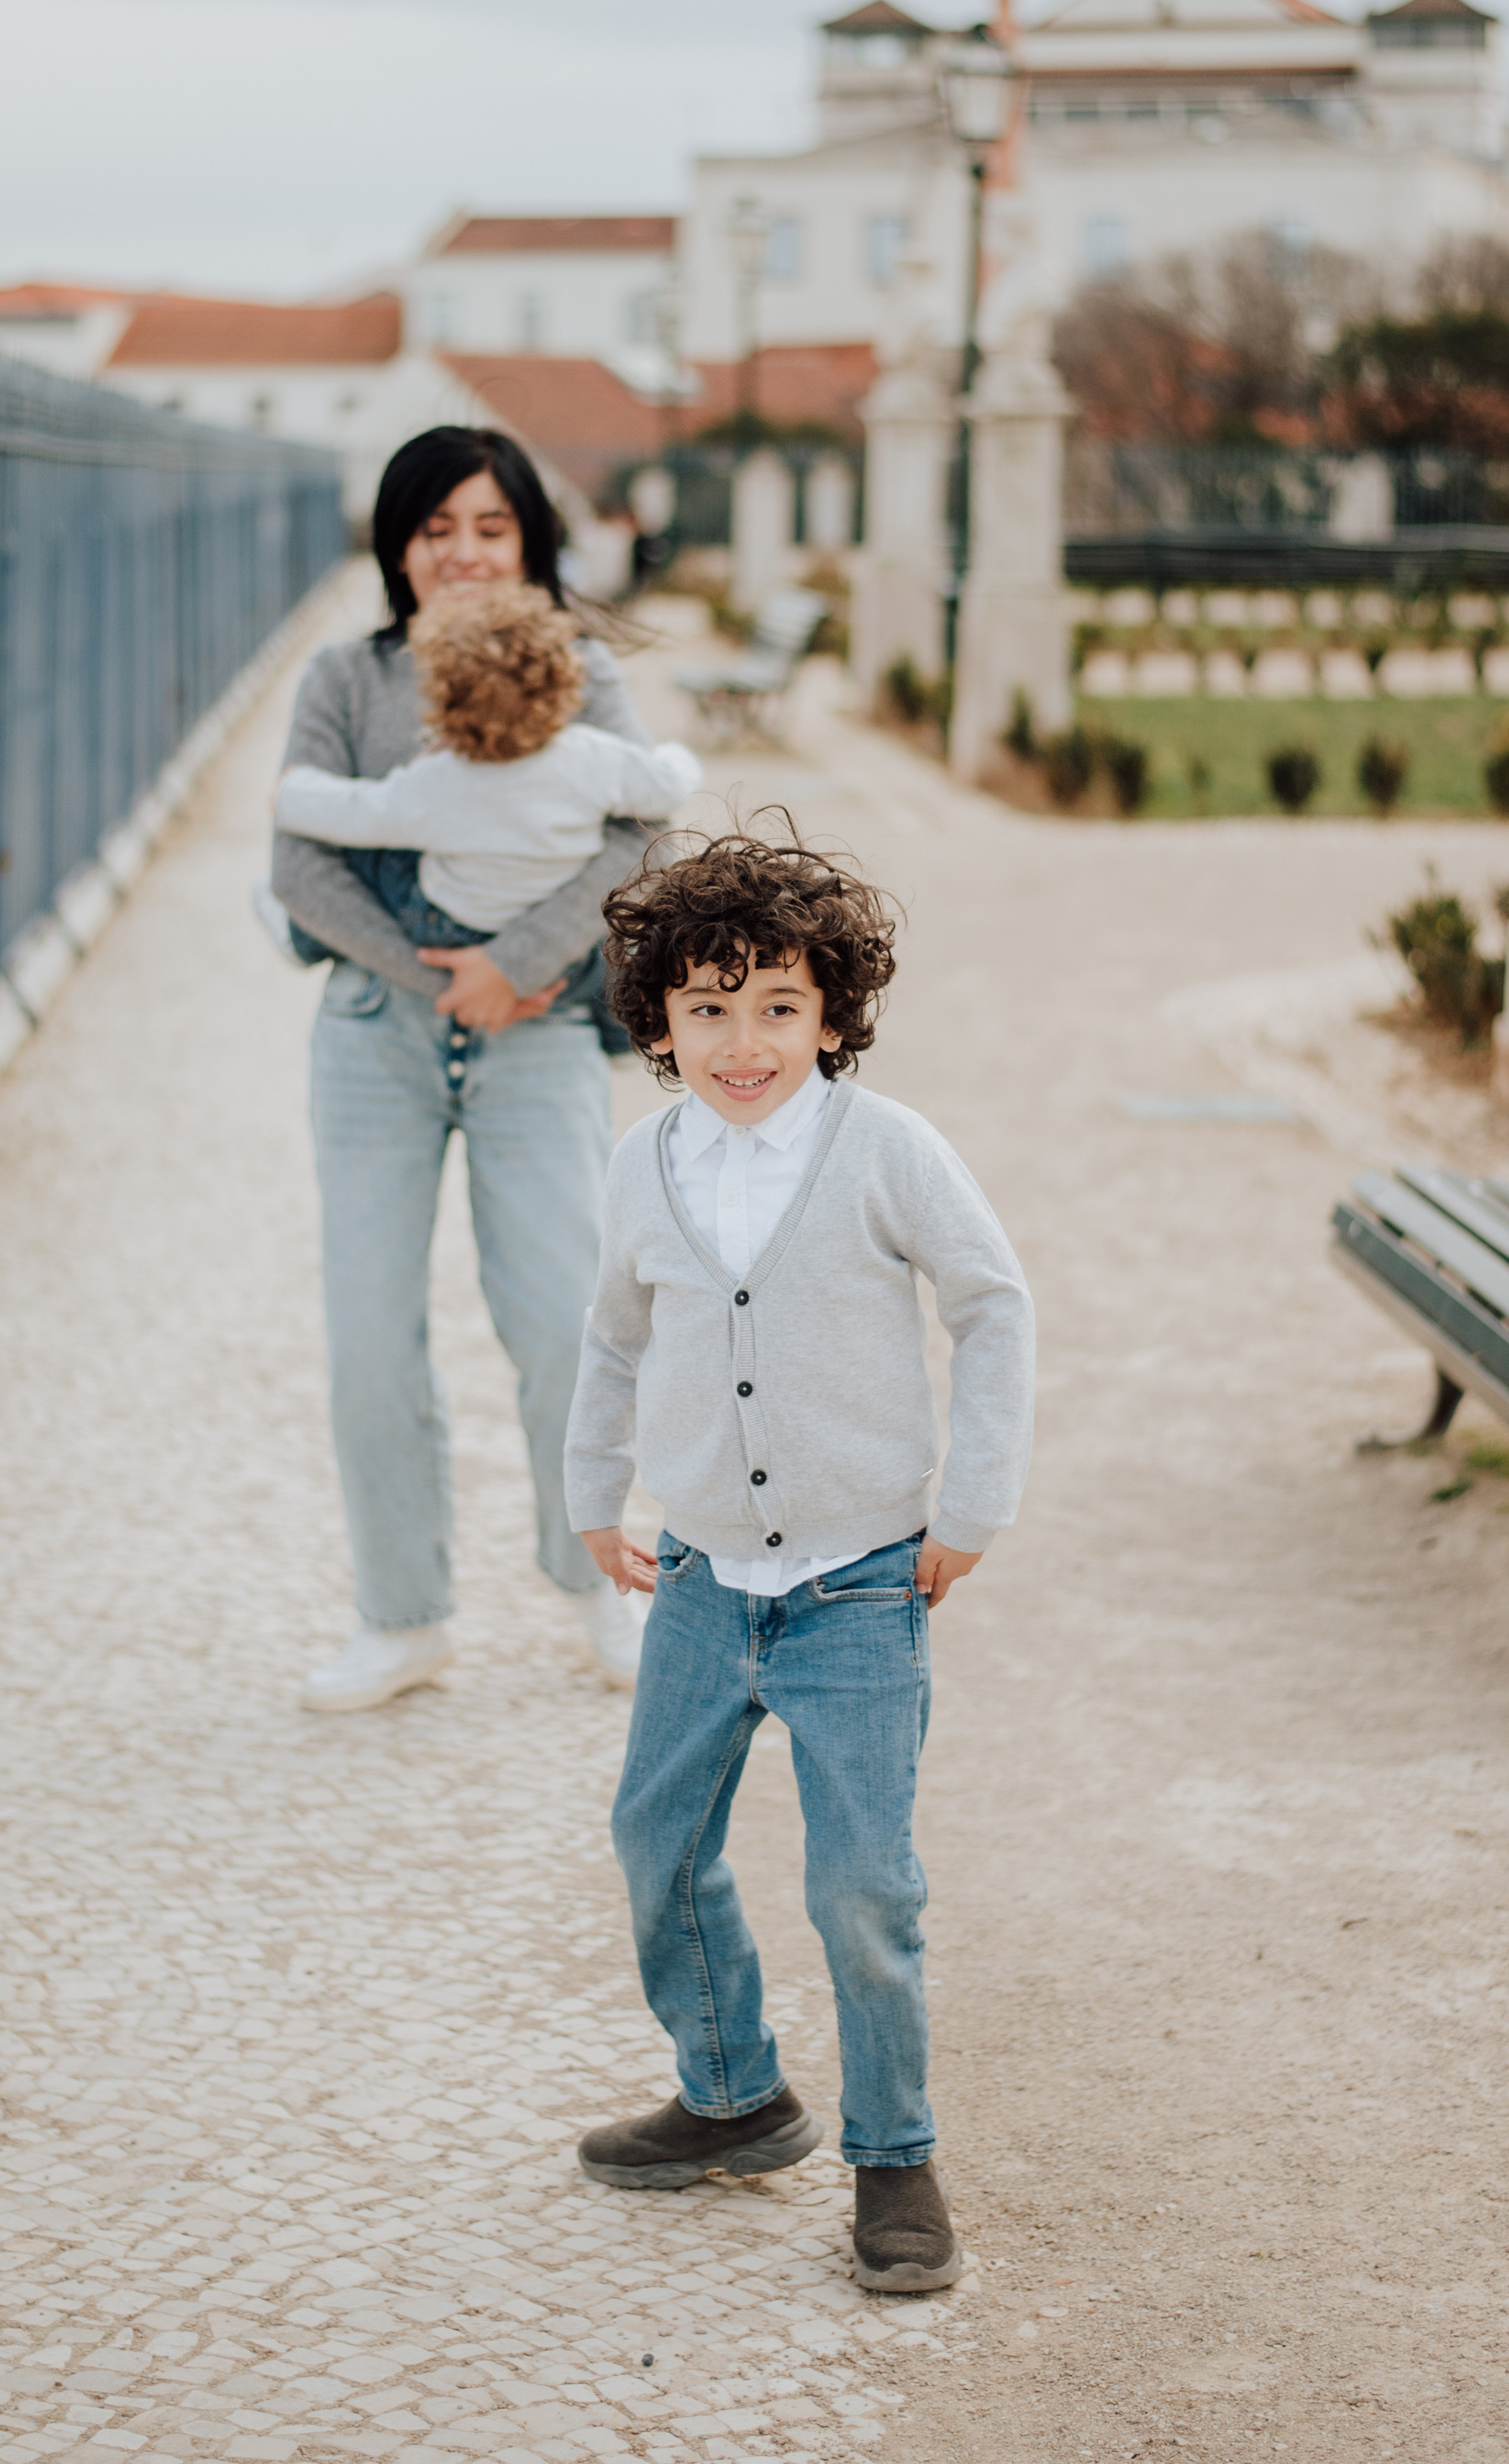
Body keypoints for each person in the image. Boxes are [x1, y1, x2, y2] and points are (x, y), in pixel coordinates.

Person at [562, 832, 1035, 2293]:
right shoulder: (646, 1158)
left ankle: (894, 2152)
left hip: (860, 1590)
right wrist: (593, 1487)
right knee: (659, 1840)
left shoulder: (885, 1146)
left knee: (861, 1887)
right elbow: (614, 1333)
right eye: (707, 1006)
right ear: (658, 1025)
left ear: (833, 1011)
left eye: (778, 1002)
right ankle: (733, 2092)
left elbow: (992, 1301)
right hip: (704, 1583)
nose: (743, 1038)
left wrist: (971, 1500)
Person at [272, 425, 668, 1713]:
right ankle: (401, 1617)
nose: (463, 550)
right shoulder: (345, 674)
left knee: (565, 1320)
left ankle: (598, 1584)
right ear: (397, 543)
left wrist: (515, 965)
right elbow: (300, 859)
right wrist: (430, 968)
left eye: (489, 525)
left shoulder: (583, 668)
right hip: (375, 1040)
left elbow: (637, 837)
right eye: (435, 526)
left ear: (530, 539)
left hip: (540, 1032)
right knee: (369, 1337)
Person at [270, 582, 700, 1048]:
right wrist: (676, 755)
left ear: (441, 700)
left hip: (444, 928)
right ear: (563, 679)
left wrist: (292, 792)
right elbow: (668, 786)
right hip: (538, 918)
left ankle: (301, 934)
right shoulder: (595, 760)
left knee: (372, 856)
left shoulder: (435, 780)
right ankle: (619, 1030)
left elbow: (356, 811)